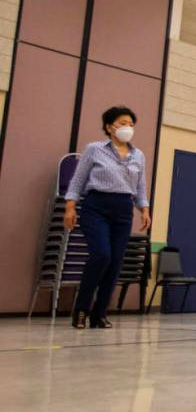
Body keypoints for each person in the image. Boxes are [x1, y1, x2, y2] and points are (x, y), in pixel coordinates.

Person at [64, 106, 152, 329]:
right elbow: (78, 180)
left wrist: (144, 209)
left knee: (115, 263)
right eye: (123, 123)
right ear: (109, 126)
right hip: (96, 206)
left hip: (123, 208)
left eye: (131, 124)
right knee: (101, 255)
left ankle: (99, 313)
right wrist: (70, 207)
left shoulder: (138, 155)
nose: (128, 128)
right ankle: (81, 309)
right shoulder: (94, 149)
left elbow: (140, 185)